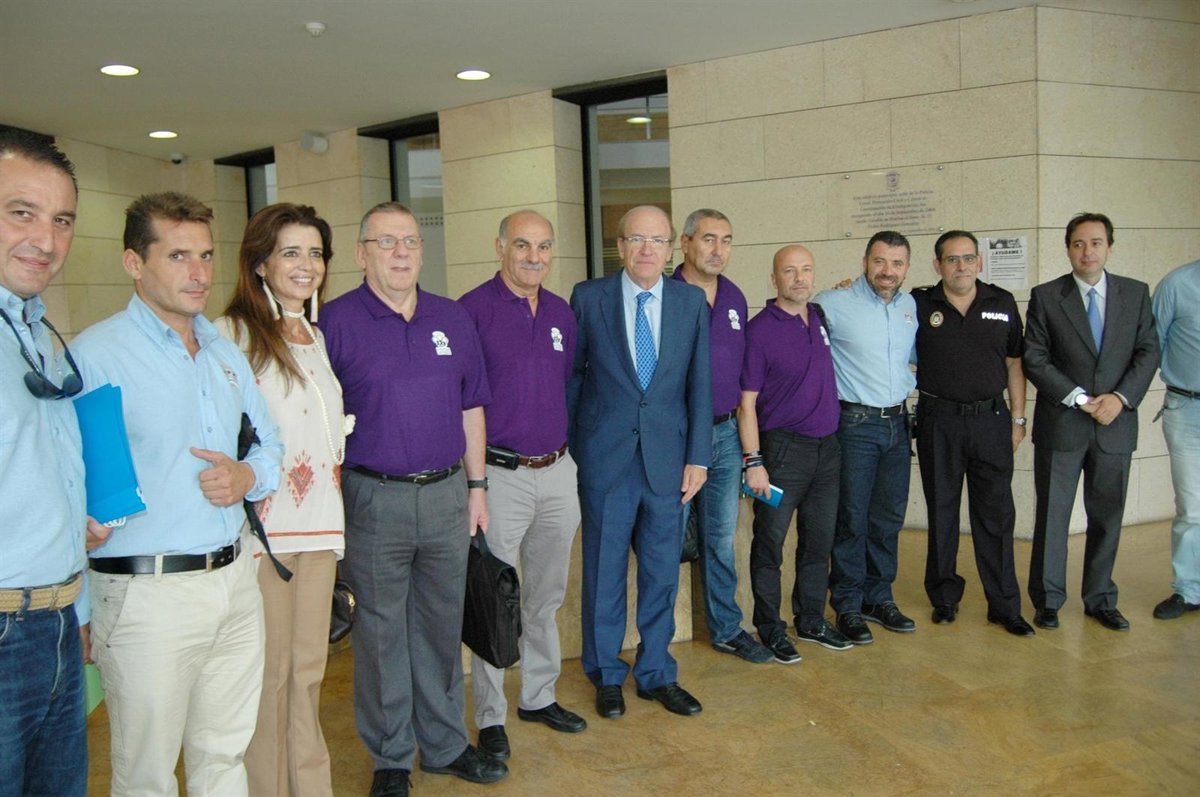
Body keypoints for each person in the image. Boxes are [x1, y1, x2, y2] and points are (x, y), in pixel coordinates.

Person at [73, 192, 283, 795]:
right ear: (134, 263)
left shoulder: (222, 350)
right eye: (178, 256)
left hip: (234, 582)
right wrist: (81, 606)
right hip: (147, 595)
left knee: (224, 757)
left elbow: (270, 443)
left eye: (206, 256)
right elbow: (71, 481)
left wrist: (248, 476)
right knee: (147, 774)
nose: (198, 273)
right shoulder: (95, 355)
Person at [321, 202, 503, 796]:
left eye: (410, 242)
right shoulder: (334, 323)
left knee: (441, 625)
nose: (401, 253)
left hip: (448, 495)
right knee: (380, 636)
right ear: (361, 253)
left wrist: (477, 487)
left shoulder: (452, 318)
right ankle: (391, 757)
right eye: (386, 242)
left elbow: (471, 408)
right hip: (373, 500)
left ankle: (445, 745)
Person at [216, 203, 347, 797]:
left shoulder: (314, 335)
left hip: (320, 528)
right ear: (260, 262)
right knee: (267, 680)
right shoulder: (232, 335)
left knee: (307, 674)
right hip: (263, 538)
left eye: (315, 253)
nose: (306, 265)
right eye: (291, 252)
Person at [567, 205, 711, 719]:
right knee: (604, 574)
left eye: (657, 240)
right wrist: (577, 449)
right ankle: (606, 674)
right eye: (636, 239)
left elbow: (700, 384)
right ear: (620, 246)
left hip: (669, 463)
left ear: (672, 248)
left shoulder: (691, 302)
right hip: (606, 463)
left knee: (661, 573)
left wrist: (699, 457)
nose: (647, 249)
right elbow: (573, 378)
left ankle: (655, 673)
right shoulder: (589, 298)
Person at [459, 210, 587, 761]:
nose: (534, 257)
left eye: (544, 247)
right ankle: (491, 716)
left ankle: (539, 696)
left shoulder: (561, 313)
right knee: (495, 601)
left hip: (557, 472)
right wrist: (475, 483)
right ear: (500, 247)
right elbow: (462, 401)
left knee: (545, 597)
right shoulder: (471, 311)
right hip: (500, 478)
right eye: (522, 245)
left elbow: (567, 384)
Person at [0, 130, 98, 797]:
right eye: (21, 212)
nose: (45, 238)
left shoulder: (38, 335)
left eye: (62, 220)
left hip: (57, 623)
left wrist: (78, 608)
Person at [1024, 212, 1159, 632]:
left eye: (1096, 243)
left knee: (1107, 518)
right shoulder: (1046, 296)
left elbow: (1149, 351)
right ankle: (1048, 601)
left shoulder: (1135, 293)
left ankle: (1100, 599)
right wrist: (1081, 399)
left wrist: (1120, 398)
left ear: (1109, 247)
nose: (1087, 251)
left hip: (1115, 425)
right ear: (1068, 249)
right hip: (1063, 424)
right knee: (1053, 517)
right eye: (1078, 244)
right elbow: (1034, 357)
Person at [911, 231, 1033, 636]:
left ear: (979, 262)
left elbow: (1015, 364)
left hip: (991, 421)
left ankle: (1004, 605)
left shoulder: (1002, 302)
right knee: (942, 512)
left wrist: (1018, 419)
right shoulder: (918, 303)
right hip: (939, 421)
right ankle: (944, 597)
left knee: (996, 516)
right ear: (938, 265)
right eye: (951, 259)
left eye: (967, 258)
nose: (960, 266)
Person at [739, 245, 851, 662]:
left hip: (828, 450)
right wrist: (754, 462)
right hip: (783, 452)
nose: (799, 278)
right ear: (774, 279)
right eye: (789, 271)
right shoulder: (758, 330)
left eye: (806, 270)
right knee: (770, 544)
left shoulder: (818, 317)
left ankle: (811, 620)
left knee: (818, 542)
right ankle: (770, 627)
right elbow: (746, 404)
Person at [671, 208, 772, 664]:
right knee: (669, 539)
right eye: (708, 239)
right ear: (685, 243)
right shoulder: (665, 295)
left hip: (726, 434)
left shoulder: (733, 297)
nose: (718, 250)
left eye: (726, 240)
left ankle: (727, 629)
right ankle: (659, 637)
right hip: (676, 437)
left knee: (720, 539)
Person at [814, 230, 918, 646]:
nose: (887, 271)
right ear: (864, 262)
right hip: (855, 425)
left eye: (896, 263)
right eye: (879, 261)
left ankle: (879, 598)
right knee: (851, 519)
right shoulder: (832, 303)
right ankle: (848, 604)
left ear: (907, 268)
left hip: (898, 424)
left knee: (887, 519)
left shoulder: (910, 306)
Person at [1151, 258, 1200, 621]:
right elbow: (1151, 344)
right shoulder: (1177, 284)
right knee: (1192, 505)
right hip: (1187, 409)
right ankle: (1189, 589)